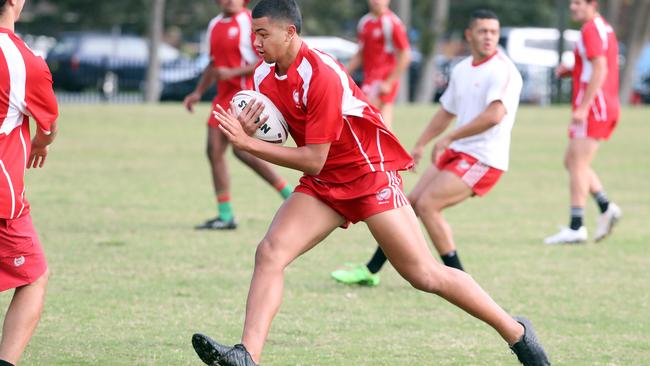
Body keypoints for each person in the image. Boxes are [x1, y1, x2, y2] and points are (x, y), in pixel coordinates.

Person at [190, 1, 549, 365]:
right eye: (254, 34)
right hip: (325, 183)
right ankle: (246, 356)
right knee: (270, 253)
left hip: (368, 176)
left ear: (290, 32)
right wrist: (256, 134)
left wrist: (248, 144)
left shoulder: (322, 74)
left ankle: (517, 334)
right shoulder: (264, 78)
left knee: (424, 275)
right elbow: (287, 141)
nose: (256, 43)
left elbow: (313, 158)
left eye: (263, 34)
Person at [331, 9, 523, 286]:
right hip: (459, 151)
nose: (489, 37)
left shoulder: (503, 70)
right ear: (469, 35)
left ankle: (461, 280)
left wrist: (448, 138)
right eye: (482, 31)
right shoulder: (462, 69)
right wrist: (420, 144)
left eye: (493, 32)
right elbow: (446, 111)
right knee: (408, 205)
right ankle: (371, 270)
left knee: (429, 205)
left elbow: (494, 116)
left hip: (484, 158)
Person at [183, 0, 293, 230]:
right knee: (214, 150)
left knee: (243, 152)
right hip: (223, 97)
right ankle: (225, 215)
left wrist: (232, 72)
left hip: (245, 96)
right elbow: (213, 65)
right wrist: (197, 92)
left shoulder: (249, 21)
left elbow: (265, 59)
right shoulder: (214, 25)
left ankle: (289, 195)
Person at [0, 0, 59, 365]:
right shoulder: (23, 61)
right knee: (34, 275)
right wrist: (41, 141)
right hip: (3, 194)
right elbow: (49, 125)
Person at [544, 0, 622, 244]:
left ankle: (576, 227)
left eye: (578, 3)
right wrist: (571, 71)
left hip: (595, 108)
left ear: (593, 4)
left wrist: (585, 106)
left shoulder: (590, 29)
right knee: (572, 161)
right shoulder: (601, 27)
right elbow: (595, 65)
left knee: (577, 163)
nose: (572, 7)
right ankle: (606, 207)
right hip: (601, 105)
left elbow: (600, 68)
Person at [346, 0, 411, 129]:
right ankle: (383, 147)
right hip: (369, 78)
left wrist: (389, 82)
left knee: (373, 118)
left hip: (383, 79)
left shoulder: (392, 22)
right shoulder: (364, 22)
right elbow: (360, 54)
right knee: (372, 119)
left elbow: (406, 55)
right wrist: (344, 73)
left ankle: (385, 147)